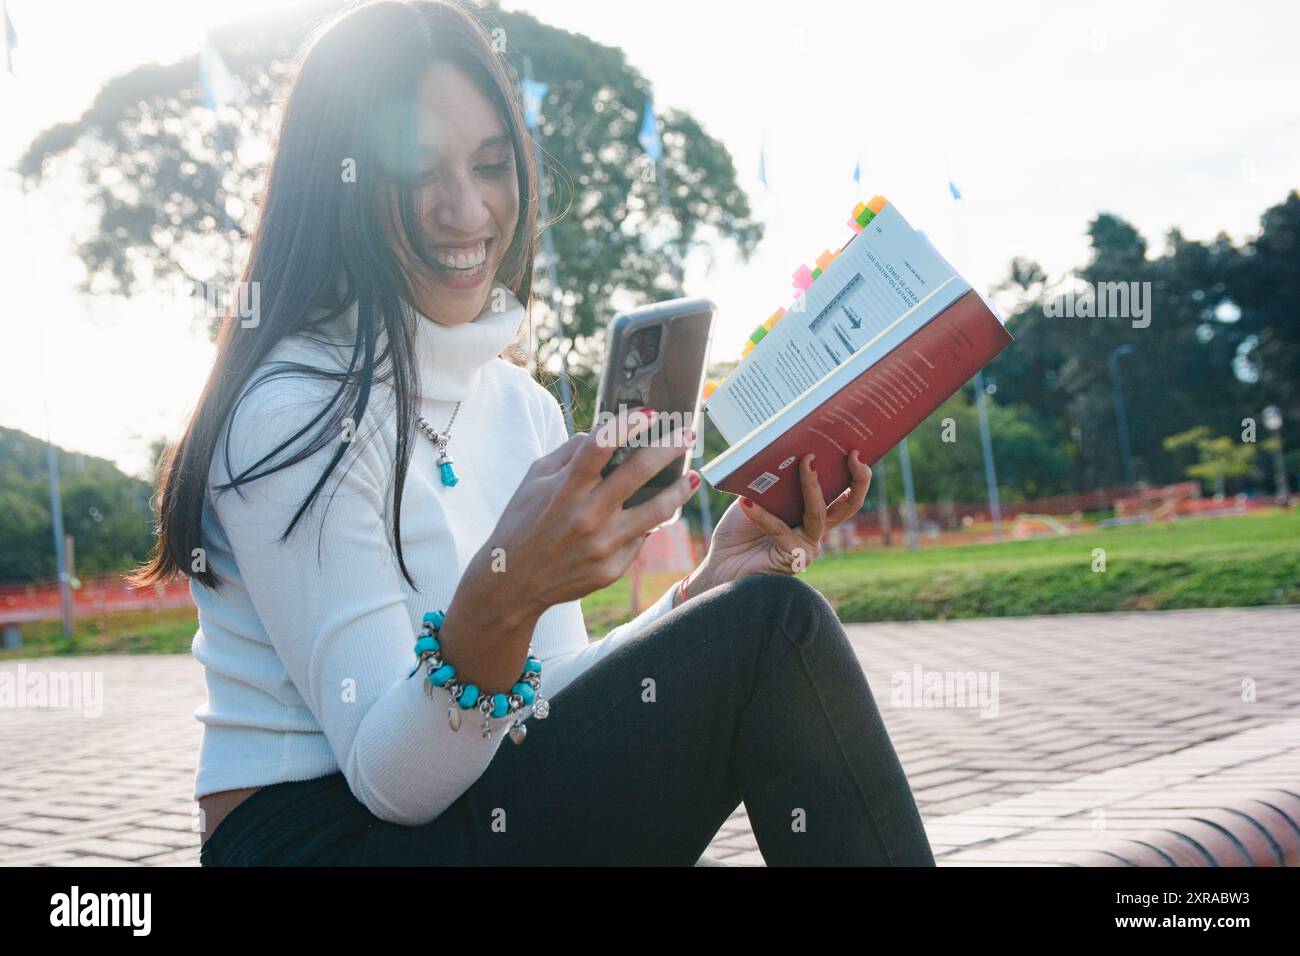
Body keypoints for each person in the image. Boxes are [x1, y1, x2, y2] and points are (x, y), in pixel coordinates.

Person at [131, 0, 934, 866]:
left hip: (471, 808)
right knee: (775, 632)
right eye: (418, 172)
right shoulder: (288, 413)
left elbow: (541, 704)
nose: (466, 209)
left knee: (762, 614)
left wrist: (703, 592)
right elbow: (389, 780)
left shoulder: (521, 407)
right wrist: (504, 597)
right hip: (322, 842)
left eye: (490, 163)